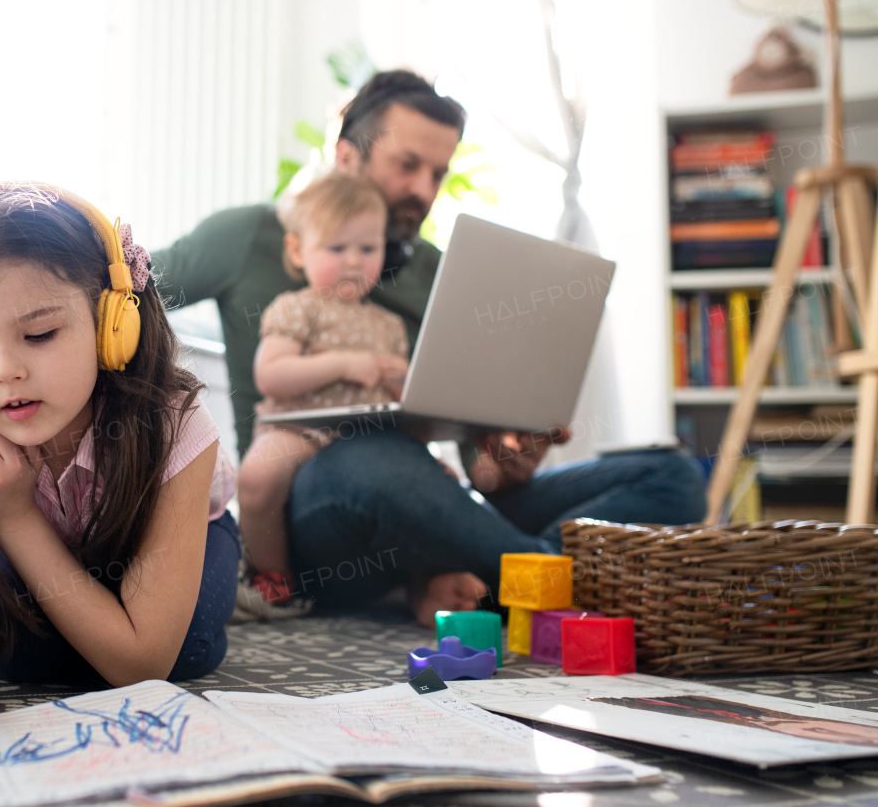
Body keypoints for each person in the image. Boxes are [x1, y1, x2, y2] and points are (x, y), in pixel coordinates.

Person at [153, 69, 707, 624]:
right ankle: (548, 578)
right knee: (373, 456)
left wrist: (507, 461)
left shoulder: (442, 272)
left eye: (438, 173)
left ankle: (481, 585)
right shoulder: (250, 236)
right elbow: (125, 290)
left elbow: (476, 474)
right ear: (347, 157)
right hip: (311, 503)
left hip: (424, 498)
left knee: (671, 475)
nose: (424, 189)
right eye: (407, 165)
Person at [0, 182, 239, 756]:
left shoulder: (173, 420)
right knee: (11, 638)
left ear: (114, 325)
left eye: (39, 335)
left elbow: (142, 665)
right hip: (41, 563)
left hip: (182, 540)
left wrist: (12, 516)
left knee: (185, 649)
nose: (6, 372)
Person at [238, 173, 408, 600]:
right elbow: (271, 375)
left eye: (367, 248)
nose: (354, 261)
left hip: (368, 440)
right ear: (298, 250)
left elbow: (403, 401)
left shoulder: (388, 325)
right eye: (337, 248)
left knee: (426, 474)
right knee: (257, 475)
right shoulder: (296, 308)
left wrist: (403, 381)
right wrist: (342, 364)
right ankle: (272, 576)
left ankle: (411, 582)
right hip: (298, 430)